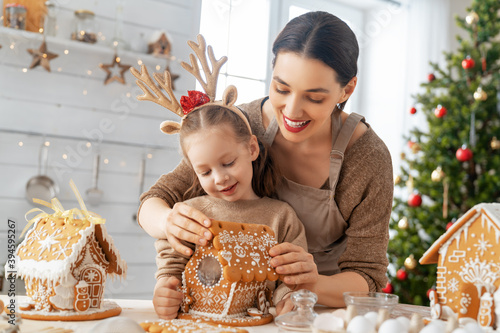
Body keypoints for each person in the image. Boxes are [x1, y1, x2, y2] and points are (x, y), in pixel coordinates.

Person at [138, 11, 393, 314]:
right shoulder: (241, 125)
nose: (292, 111)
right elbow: (154, 202)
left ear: (346, 89)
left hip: (320, 309)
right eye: (282, 89)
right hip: (240, 307)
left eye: (314, 98)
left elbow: (368, 276)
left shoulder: (367, 158)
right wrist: (168, 222)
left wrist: (309, 285)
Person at [150, 102, 307, 319]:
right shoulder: (191, 213)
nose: (220, 178)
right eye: (205, 172)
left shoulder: (281, 217)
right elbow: (173, 267)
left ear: (252, 148)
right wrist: (165, 291)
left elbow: (292, 278)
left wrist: (288, 298)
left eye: (229, 162)